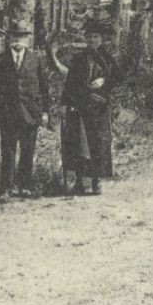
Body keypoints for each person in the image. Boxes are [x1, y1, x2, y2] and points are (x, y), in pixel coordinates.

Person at [0, 22, 55, 199]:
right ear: (9, 39)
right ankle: (6, 189)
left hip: (31, 113)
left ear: (27, 39)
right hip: (8, 112)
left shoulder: (36, 59)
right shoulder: (0, 60)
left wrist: (46, 112)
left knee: (28, 150)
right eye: (14, 37)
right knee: (8, 151)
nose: (18, 40)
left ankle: (25, 186)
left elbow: (45, 88)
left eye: (21, 37)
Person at [61, 15, 123, 195]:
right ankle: (80, 181)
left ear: (102, 39)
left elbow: (119, 77)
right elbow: (69, 83)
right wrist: (64, 104)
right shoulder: (79, 58)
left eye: (96, 37)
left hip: (99, 108)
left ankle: (96, 181)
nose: (92, 40)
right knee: (79, 144)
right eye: (89, 37)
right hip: (79, 107)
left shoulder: (108, 59)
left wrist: (104, 81)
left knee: (98, 145)